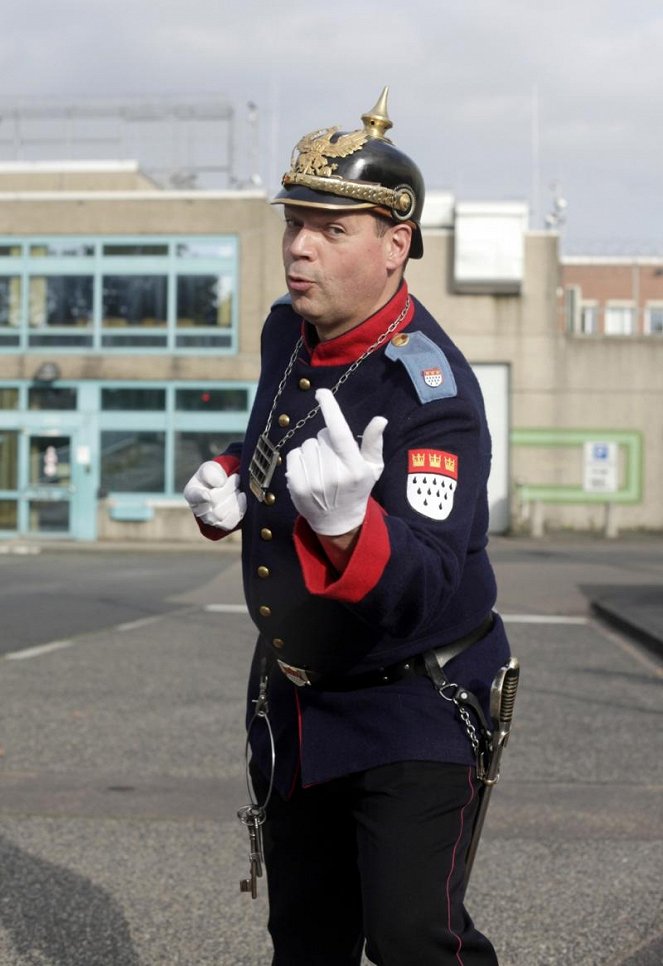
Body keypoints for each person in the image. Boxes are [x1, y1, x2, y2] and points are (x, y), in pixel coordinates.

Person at [184, 87, 510, 966]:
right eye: (296, 220)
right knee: (306, 937)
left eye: (331, 228)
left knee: (413, 939)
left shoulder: (431, 393)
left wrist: (345, 530)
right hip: (297, 692)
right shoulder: (285, 331)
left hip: (413, 699)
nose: (298, 246)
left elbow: (431, 581)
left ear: (395, 244)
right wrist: (230, 476)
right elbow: (276, 436)